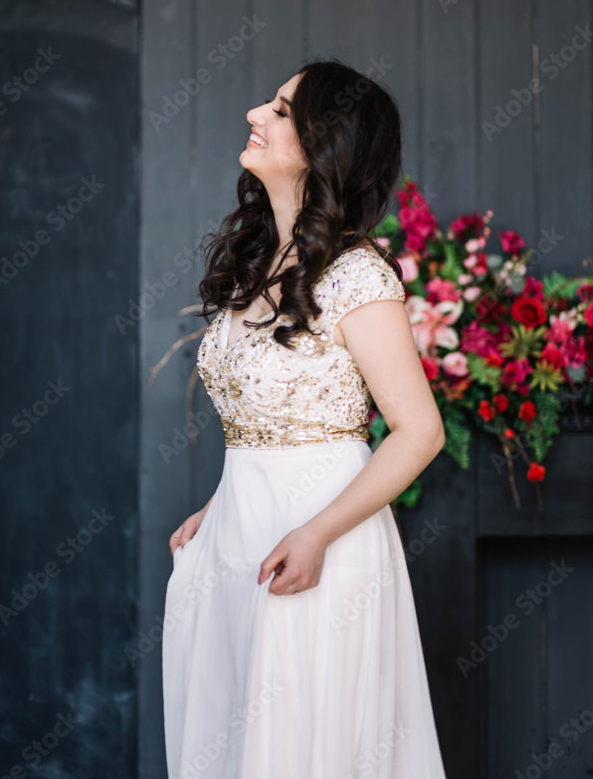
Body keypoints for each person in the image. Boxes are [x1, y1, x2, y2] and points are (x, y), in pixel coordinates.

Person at [162, 58, 448, 778]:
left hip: (321, 543)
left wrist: (317, 532)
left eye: (282, 110)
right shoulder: (256, 265)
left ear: (329, 144)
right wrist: (216, 507)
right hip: (239, 535)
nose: (256, 113)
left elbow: (420, 431)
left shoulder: (356, 277)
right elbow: (275, 416)